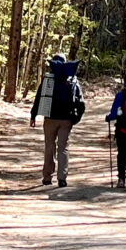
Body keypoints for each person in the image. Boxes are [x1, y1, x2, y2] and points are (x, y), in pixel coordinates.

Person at [30, 53, 85, 187]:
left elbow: (39, 98)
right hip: (66, 120)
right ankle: (62, 178)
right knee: (63, 148)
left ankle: (47, 177)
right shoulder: (73, 80)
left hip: (50, 118)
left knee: (49, 146)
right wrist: (75, 119)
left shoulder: (47, 80)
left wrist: (33, 115)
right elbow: (81, 103)